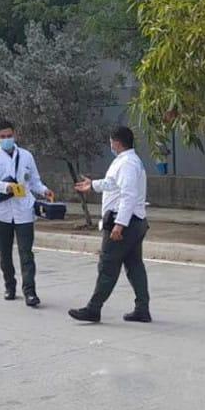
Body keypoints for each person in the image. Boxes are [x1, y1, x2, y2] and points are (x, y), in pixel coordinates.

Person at [69, 126, 151, 323]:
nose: (110, 146)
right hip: (135, 222)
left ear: (117, 142)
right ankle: (142, 309)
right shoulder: (126, 161)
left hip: (124, 223)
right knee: (134, 266)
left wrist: (119, 224)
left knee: (107, 265)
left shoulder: (128, 164)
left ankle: (93, 308)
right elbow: (112, 183)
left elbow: (128, 195)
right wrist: (94, 185)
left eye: (111, 142)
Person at [0, 120, 54, 307]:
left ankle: (30, 292)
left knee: (26, 253)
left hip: (24, 210)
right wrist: (6, 186)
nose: (6, 139)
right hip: (1, 212)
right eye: (2, 137)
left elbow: (34, 181)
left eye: (9, 136)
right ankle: (9, 285)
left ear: (15, 135)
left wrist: (44, 190)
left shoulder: (26, 156)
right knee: (4, 253)